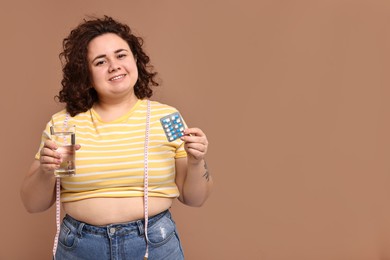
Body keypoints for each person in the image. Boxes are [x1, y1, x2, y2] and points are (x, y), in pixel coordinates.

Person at [20, 16, 213, 260]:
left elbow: (194, 198)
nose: (114, 66)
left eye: (121, 55)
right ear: (86, 74)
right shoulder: (66, 124)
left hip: (152, 246)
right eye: (100, 61)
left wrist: (197, 161)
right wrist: (46, 171)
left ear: (135, 59)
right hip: (80, 248)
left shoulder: (166, 118)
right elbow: (32, 204)